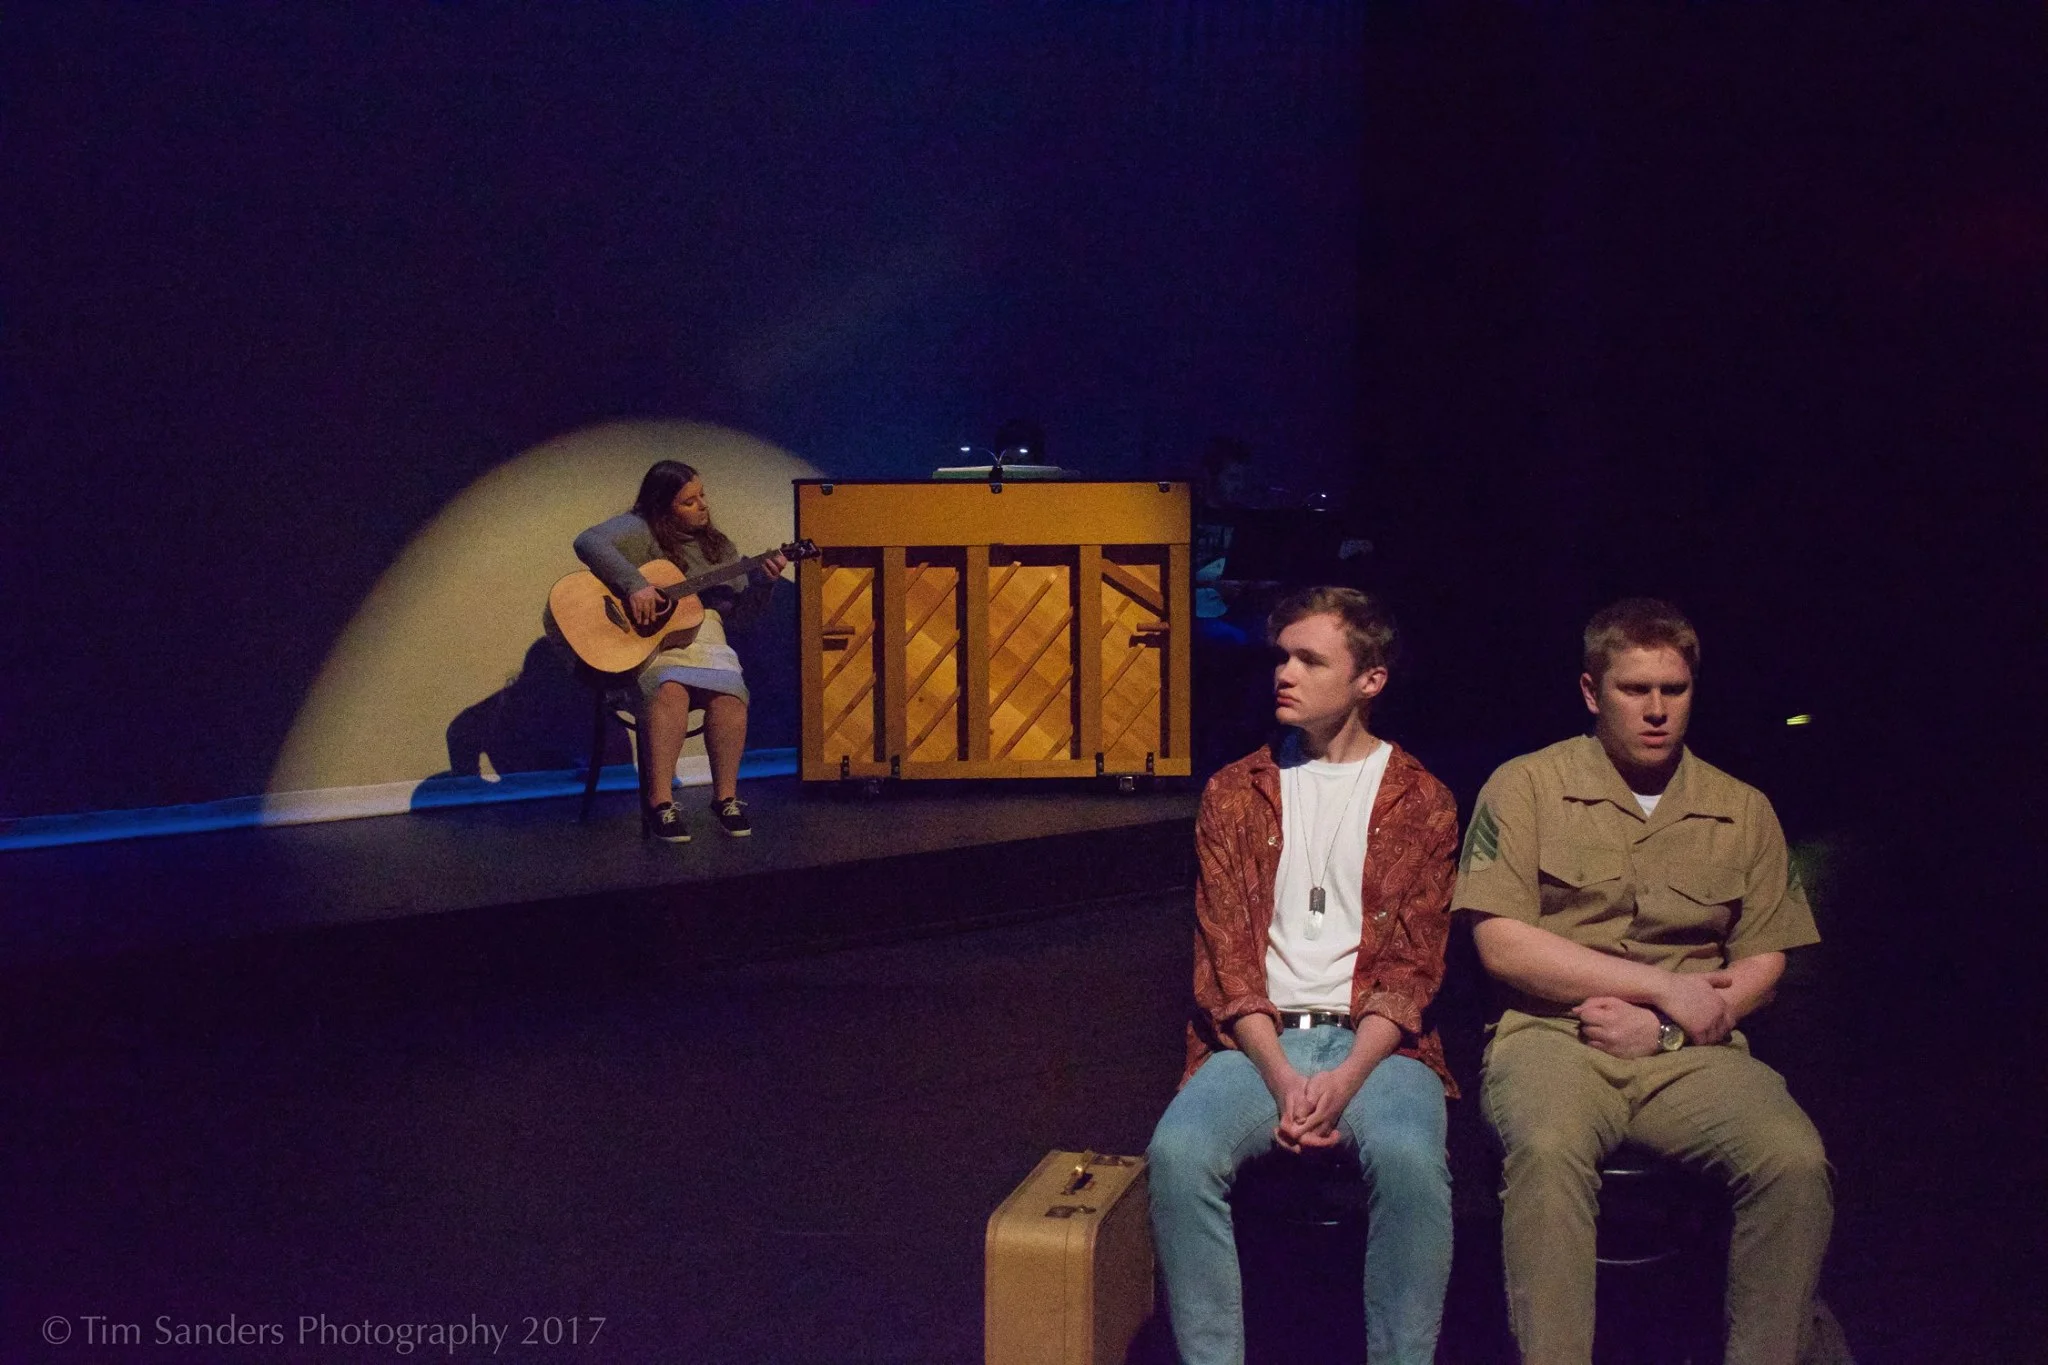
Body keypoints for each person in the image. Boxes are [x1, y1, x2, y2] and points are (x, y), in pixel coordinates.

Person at [1452, 598, 1831, 1365]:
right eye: (1634, 689)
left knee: (1794, 1162)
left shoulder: (1741, 808)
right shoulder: (1524, 787)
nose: (1656, 709)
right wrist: (1661, 988)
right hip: (1554, 1034)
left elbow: (1764, 960)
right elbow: (1503, 945)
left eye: (1673, 689)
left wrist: (1668, 1026)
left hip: (1692, 1050)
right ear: (1592, 691)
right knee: (1548, 1149)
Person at [1147, 586, 1460, 1365]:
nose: (1284, 673)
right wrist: (1284, 1076)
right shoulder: (1235, 792)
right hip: (1259, 1042)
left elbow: (1413, 967)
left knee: (1411, 1161)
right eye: (1282, 656)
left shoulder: (1422, 799)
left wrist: (1346, 1078)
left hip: (1380, 1046)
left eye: (1310, 660)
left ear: (1369, 679)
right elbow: (1226, 960)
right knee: (1179, 1153)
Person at [573, 460, 786, 843]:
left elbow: (740, 620)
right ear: (663, 506)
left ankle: (726, 799)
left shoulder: (720, 548)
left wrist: (764, 584)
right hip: (650, 646)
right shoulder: (640, 528)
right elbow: (587, 542)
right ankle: (661, 804)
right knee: (670, 689)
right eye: (689, 501)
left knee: (729, 696)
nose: (703, 505)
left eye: (702, 495)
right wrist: (636, 585)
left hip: (708, 639)